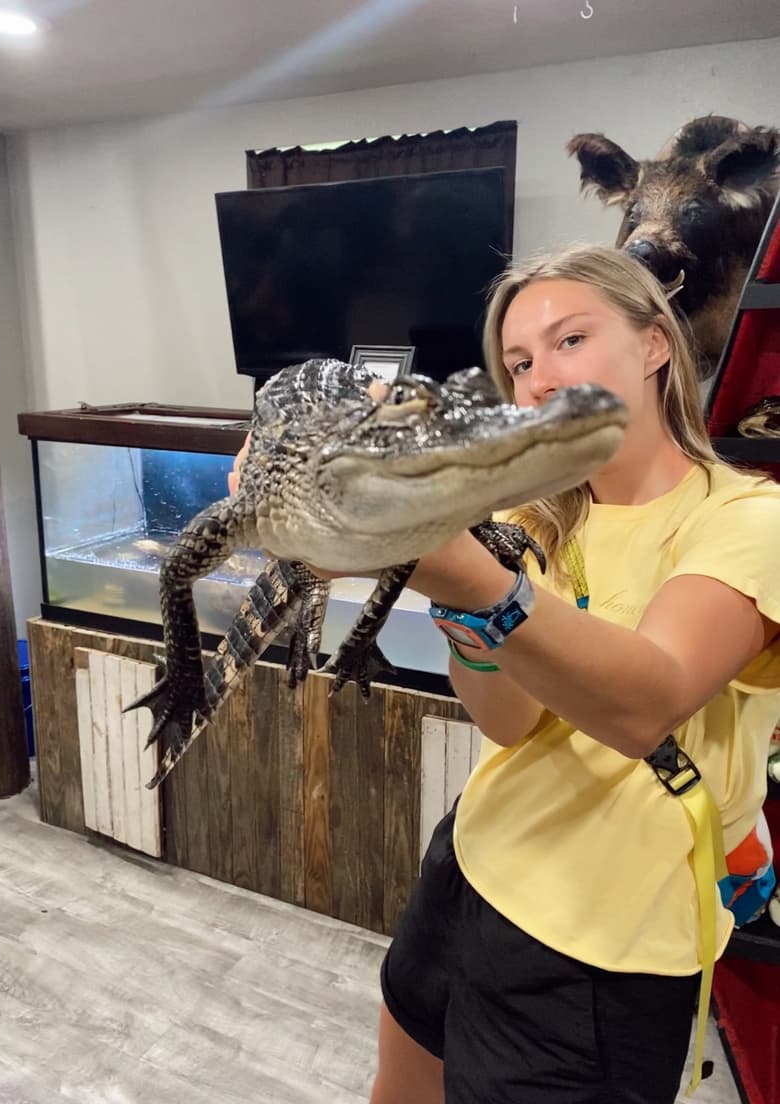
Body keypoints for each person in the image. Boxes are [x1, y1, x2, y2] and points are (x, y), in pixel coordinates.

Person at [229, 245, 780, 1104]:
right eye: (519, 362)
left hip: (605, 945)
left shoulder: (749, 518)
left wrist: (466, 575)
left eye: (569, 340)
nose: (539, 379)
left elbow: (647, 705)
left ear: (653, 345)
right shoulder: (530, 516)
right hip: (471, 867)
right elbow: (509, 721)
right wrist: (422, 570)